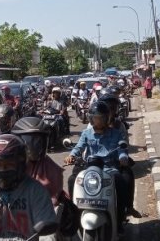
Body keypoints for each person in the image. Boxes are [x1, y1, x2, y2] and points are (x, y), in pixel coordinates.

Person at [63, 100, 135, 233]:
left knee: (120, 181)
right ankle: (75, 216)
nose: (98, 122)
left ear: (106, 119)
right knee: (72, 179)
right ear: (91, 119)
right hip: (90, 168)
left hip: (109, 168)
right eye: (95, 118)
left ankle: (119, 219)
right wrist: (71, 155)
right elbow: (79, 147)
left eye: (101, 119)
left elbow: (122, 148)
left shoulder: (116, 133)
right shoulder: (86, 133)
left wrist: (123, 158)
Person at [12, 116, 80, 238]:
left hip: (42, 215)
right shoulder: (11, 165)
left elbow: (52, 201)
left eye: (38, 142)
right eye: (28, 141)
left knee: (49, 237)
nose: (33, 147)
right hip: (12, 215)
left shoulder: (52, 169)